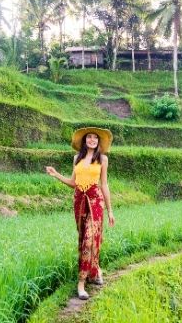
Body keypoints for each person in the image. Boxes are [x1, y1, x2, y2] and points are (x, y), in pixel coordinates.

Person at [45, 127, 115, 300]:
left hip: (95, 201)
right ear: (84, 141)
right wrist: (56, 174)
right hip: (79, 202)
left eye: (95, 138)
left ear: (99, 142)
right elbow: (73, 183)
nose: (92, 140)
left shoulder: (103, 159)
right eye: (89, 137)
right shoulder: (77, 158)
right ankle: (96, 269)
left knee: (91, 239)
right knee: (84, 238)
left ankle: (81, 283)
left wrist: (110, 210)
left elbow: (104, 184)